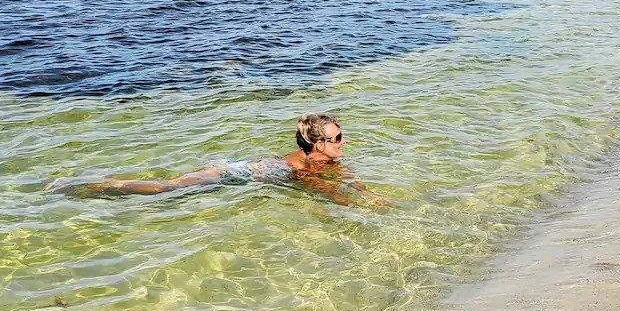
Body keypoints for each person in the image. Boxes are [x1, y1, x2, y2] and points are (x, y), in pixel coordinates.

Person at [46, 113, 384, 206]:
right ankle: (84, 184)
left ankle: (97, 182)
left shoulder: (323, 161)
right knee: (166, 188)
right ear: (318, 145)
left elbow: (345, 179)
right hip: (233, 174)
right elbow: (326, 191)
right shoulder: (300, 166)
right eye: (338, 138)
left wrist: (369, 195)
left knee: (170, 188)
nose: (344, 141)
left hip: (239, 168)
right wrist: (359, 205)